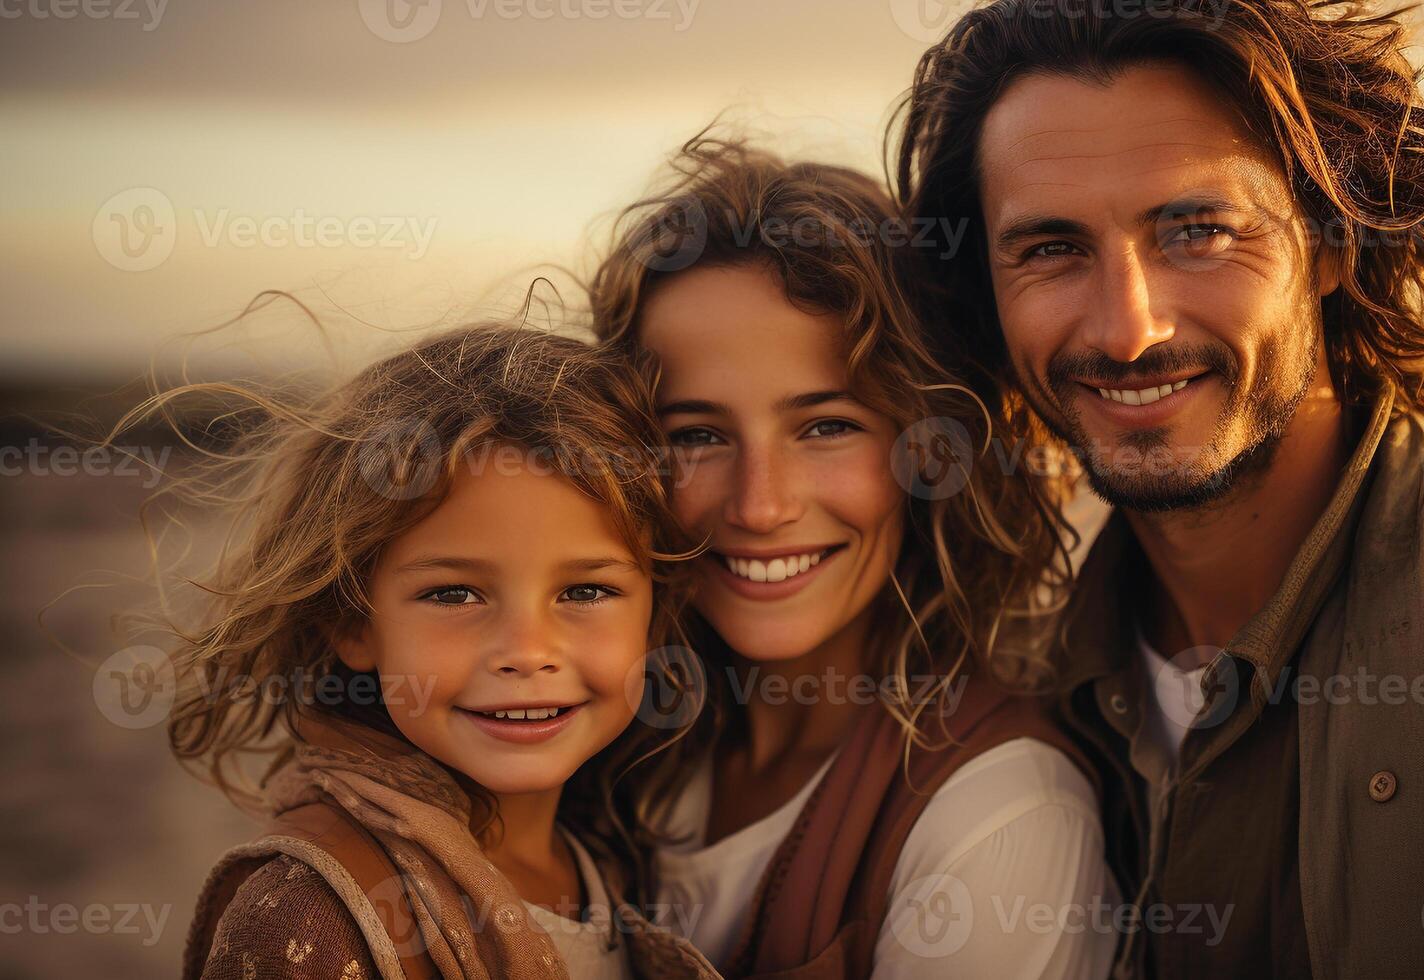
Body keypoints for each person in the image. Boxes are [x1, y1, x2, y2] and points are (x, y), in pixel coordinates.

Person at [892, 1, 1424, 977]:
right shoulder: (994, 682)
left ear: (1332, 241)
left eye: (1194, 230)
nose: (1126, 328)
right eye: (1050, 249)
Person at [587, 136, 1118, 978]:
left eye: (826, 426)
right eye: (694, 435)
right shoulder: (605, 745)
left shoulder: (1000, 814)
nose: (760, 505)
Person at [150, 325, 720, 978]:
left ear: (653, 617)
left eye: (586, 590)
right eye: (454, 595)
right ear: (352, 622)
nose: (527, 652)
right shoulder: (311, 920)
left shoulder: (615, 857)